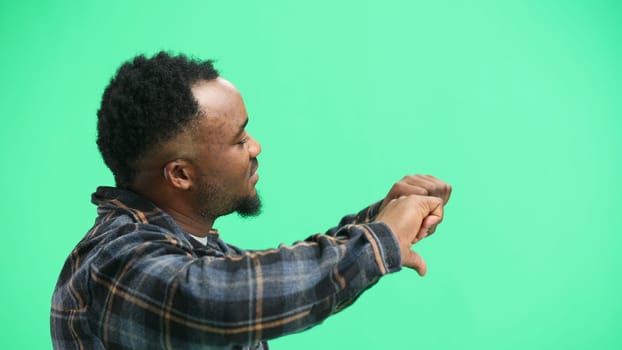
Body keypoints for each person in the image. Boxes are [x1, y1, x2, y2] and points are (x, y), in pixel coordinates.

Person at [50, 52, 452, 350]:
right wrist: (379, 241)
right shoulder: (115, 264)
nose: (256, 146)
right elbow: (224, 297)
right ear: (181, 174)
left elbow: (274, 280)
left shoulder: (188, 249)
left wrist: (383, 217)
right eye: (239, 139)